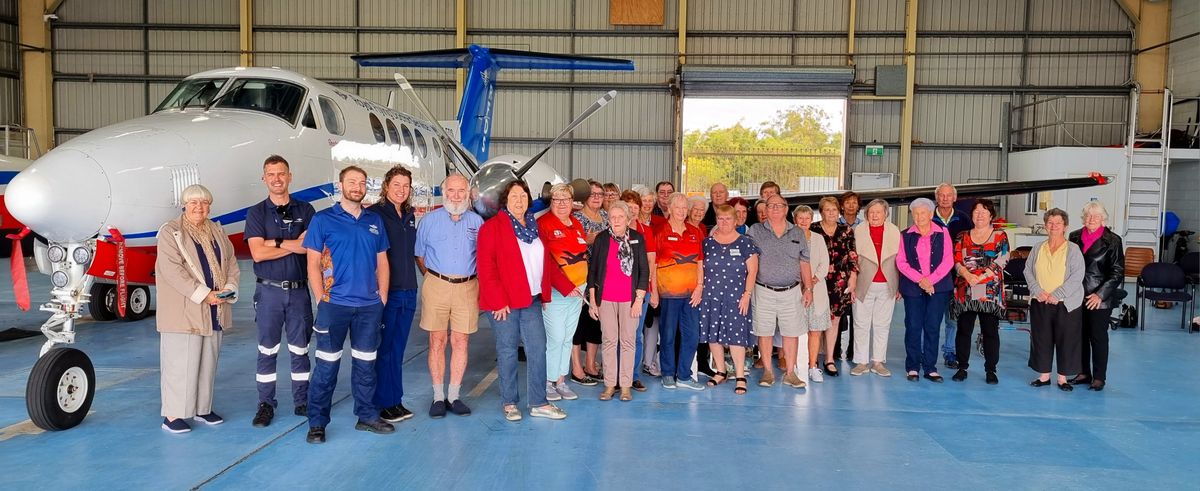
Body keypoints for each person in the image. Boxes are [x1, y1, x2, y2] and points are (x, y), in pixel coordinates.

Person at [303, 166, 392, 443]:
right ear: (340, 185)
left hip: (368, 308)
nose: (357, 186)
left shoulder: (374, 220)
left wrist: (382, 297)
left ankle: (366, 416)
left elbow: (382, 262)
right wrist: (321, 299)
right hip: (334, 307)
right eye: (352, 181)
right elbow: (312, 263)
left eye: (362, 182)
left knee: (366, 365)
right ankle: (317, 422)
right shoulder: (323, 220)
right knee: (327, 367)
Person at [477, 180, 569, 421]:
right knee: (507, 350)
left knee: (538, 349)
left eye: (523, 196)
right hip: (504, 302)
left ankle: (538, 402)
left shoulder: (533, 226)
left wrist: (565, 288)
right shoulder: (492, 228)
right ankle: (509, 402)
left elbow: (545, 263)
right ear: (505, 201)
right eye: (514, 196)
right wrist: (497, 300)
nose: (519, 200)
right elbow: (486, 268)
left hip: (532, 299)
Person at [156, 184, 241, 433]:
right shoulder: (171, 232)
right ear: (184, 205)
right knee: (180, 363)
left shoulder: (216, 230)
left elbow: (231, 262)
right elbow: (173, 271)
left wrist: (228, 287)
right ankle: (173, 416)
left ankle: (202, 408)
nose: (199, 207)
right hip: (186, 310)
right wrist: (205, 295)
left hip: (215, 308)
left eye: (203, 203)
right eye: (193, 203)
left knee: (207, 361)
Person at [244, 155, 315, 428]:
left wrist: (274, 241)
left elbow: (308, 246)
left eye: (281, 173)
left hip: (298, 292)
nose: (277, 179)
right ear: (264, 178)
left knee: (300, 348)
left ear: (290, 176)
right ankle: (265, 404)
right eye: (271, 174)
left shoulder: (306, 210)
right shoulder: (257, 213)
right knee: (267, 349)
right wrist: (290, 242)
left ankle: (302, 400)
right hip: (268, 293)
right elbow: (258, 253)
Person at [414, 174, 483, 418]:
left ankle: (454, 395)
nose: (456, 195)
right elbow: (419, 256)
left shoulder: (477, 222)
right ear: (444, 193)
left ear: (468, 193)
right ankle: (438, 397)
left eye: (461, 191)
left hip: (467, 287)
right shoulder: (429, 221)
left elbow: (483, 258)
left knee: (461, 342)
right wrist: (435, 278)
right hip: (437, 284)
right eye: (451, 191)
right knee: (437, 341)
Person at [369, 165, 420, 423]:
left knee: (398, 349)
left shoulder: (409, 215)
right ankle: (382, 403)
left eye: (406, 186)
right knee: (384, 348)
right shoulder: (375, 215)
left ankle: (395, 400)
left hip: (409, 292)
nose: (401, 190)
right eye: (396, 185)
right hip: (388, 293)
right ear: (386, 186)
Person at [748, 194, 814, 389]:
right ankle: (768, 371)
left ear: (786, 209)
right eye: (771, 206)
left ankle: (791, 373)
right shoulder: (755, 231)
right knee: (764, 331)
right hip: (763, 290)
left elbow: (804, 262)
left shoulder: (797, 233)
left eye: (779, 206)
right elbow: (749, 262)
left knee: (791, 332)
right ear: (765, 210)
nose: (775, 209)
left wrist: (808, 288)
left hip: (791, 291)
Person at [586, 201, 650, 401]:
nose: (616, 220)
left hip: (630, 300)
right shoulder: (602, 239)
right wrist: (593, 302)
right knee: (609, 341)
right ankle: (609, 385)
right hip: (606, 298)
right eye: (612, 217)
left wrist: (639, 299)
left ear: (628, 219)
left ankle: (625, 386)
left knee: (628, 342)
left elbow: (643, 271)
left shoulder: (638, 238)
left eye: (620, 217)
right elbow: (593, 271)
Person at [699, 204, 760, 395]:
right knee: (713, 335)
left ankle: (740, 375)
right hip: (711, 296)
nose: (724, 223)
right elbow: (699, 267)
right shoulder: (707, 243)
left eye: (728, 219)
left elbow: (752, 271)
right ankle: (721, 371)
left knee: (736, 336)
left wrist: (747, 295)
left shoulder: (745, 243)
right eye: (720, 218)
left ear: (736, 221)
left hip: (736, 297)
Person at [1024, 208, 1085, 391]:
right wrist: (1038, 290)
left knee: (1066, 340)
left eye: (1058, 223)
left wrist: (1057, 295)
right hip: (1040, 300)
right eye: (1050, 223)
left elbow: (1077, 275)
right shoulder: (1037, 248)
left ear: (1065, 226)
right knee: (1041, 339)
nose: (1053, 226)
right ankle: (1043, 376)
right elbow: (1027, 270)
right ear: (1045, 226)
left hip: (1065, 304)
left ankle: (1062, 378)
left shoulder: (1073, 249)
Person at [950, 199, 1009, 384]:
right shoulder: (962, 235)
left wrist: (981, 277)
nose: (980, 215)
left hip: (990, 291)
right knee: (963, 330)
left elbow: (1003, 258)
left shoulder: (1000, 236)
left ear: (991, 215)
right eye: (976, 212)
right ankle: (962, 367)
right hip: (965, 290)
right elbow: (956, 259)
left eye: (984, 211)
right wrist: (967, 275)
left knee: (990, 332)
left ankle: (991, 370)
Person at [538, 183, 587, 402]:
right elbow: (545, 262)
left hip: (578, 293)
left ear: (572, 202)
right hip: (558, 293)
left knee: (567, 338)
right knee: (555, 338)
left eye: (566, 199)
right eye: (557, 200)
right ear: (551, 202)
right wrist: (566, 288)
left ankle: (561, 380)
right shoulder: (544, 224)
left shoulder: (576, 224)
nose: (561, 204)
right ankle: (548, 382)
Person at [896, 198, 954, 383]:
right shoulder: (905, 235)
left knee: (932, 327)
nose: (919, 217)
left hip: (938, 288)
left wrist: (931, 281)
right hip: (913, 287)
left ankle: (930, 368)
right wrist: (921, 280)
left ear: (931, 214)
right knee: (913, 326)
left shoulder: (943, 232)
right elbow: (901, 262)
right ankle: (912, 367)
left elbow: (948, 261)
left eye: (923, 213)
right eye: (915, 213)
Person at [653, 192, 707, 390]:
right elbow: (653, 264)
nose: (682, 212)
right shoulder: (660, 231)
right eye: (678, 208)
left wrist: (700, 287)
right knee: (667, 335)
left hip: (691, 295)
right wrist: (654, 291)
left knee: (692, 335)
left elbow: (700, 262)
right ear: (669, 209)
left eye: (685, 208)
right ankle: (668, 373)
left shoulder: (695, 232)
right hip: (668, 293)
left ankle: (684, 375)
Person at [1068, 202, 1123, 391]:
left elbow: (1117, 272)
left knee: (1098, 337)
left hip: (1099, 297)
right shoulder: (1074, 236)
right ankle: (1083, 372)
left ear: (1103, 219)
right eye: (1088, 216)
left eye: (1096, 216)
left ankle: (1099, 377)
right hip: (1076, 294)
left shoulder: (1113, 240)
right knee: (1079, 335)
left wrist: (1099, 295)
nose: (1091, 219)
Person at [850, 199, 901, 377]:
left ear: (885, 214)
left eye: (878, 212)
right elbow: (852, 259)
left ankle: (878, 362)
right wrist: (852, 282)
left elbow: (900, 261)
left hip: (887, 283)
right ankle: (861, 362)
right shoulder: (858, 231)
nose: (875, 215)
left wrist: (899, 285)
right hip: (864, 283)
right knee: (861, 323)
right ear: (866, 214)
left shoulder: (894, 231)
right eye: (871, 212)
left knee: (882, 325)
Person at [811, 197, 857, 377]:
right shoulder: (813, 229)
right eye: (827, 209)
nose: (831, 213)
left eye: (834, 209)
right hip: (817, 280)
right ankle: (813, 359)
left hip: (839, 280)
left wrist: (853, 277)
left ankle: (829, 358)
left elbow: (852, 255)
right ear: (821, 212)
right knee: (815, 320)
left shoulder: (846, 230)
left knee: (834, 319)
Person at [570, 180, 608, 385]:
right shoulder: (575, 218)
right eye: (593, 194)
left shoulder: (605, 217)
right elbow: (570, 243)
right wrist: (587, 240)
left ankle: (591, 365)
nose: (596, 197)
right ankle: (576, 367)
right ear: (585, 196)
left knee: (595, 323)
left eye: (600, 194)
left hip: (601, 277)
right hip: (580, 277)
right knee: (578, 324)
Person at [933, 183, 972, 369]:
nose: (945, 198)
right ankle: (927, 353)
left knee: (952, 318)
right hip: (933, 278)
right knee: (930, 318)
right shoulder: (928, 217)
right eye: (941, 195)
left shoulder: (964, 219)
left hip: (957, 278)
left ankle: (950, 352)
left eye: (949, 195)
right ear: (936, 198)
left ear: (955, 198)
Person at [621, 190, 657, 392]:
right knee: (619, 335)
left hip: (642, 291)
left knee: (636, 335)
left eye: (636, 207)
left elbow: (652, 262)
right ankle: (618, 374)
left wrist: (652, 290)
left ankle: (633, 375)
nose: (633, 211)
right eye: (629, 207)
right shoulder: (615, 230)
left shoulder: (646, 231)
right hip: (618, 292)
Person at [793, 205, 831, 384]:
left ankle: (813, 366)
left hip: (816, 290)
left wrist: (811, 282)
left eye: (807, 218)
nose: (803, 221)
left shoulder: (818, 239)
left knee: (814, 331)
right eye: (800, 218)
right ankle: (791, 366)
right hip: (793, 290)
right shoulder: (789, 237)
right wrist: (799, 284)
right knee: (790, 330)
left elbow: (824, 262)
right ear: (795, 219)